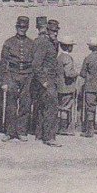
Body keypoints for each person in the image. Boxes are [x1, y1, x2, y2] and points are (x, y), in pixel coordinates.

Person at [0, 16, 35, 142]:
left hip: (27, 75)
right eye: (20, 27)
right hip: (12, 75)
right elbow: (3, 63)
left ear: (27, 28)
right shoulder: (8, 42)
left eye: (24, 27)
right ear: (16, 27)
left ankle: (21, 131)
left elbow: (35, 62)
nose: (22, 29)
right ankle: (9, 132)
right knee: (11, 104)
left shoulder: (31, 43)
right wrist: (4, 81)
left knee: (25, 104)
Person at [32, 18, 62, 147]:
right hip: (46, 80)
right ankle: (49, 137)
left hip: (50, 79)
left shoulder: (53, 43)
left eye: (56, 31)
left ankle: (40, 134)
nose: (55, 34)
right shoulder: (43, 43)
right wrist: (43, 81)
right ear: (47, 31)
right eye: (52, 31)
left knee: (43, 107)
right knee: (51, 108)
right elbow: (36, 64)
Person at [57, 35, 81, 135]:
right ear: (68, 46)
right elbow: (68, 73)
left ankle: (60, 127)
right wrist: (77, 72)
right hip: (67, 87)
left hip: (59, 86)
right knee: (65, 108)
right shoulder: (67, 58)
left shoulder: (59, 57)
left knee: (60, 107)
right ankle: (63, 129)